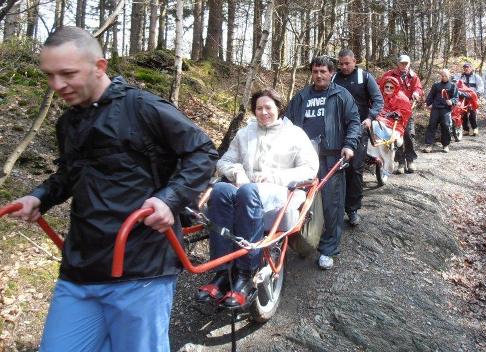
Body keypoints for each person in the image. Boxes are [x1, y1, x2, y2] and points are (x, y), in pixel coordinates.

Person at [8, 27, 218, 352]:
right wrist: (39, 196)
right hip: (80, 269)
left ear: (99, 67)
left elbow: (201, 151)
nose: (57, 85)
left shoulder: (142, 107)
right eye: (50, 75)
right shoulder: (67, 123)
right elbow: (69, 175)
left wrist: (169, 200)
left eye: (67, 74)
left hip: (140, 267)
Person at [196, 89, 319, 307]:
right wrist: (237, 172)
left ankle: (245, 273)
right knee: (222, 190)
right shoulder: (245, 133)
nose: (263, 112)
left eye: (268, 107)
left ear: (278, 108)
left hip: (280, 190)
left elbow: (310, 169)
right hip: (246, 188)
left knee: (247, 192)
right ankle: (222, 273)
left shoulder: (294, 134)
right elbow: (224, 161)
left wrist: (275, 176)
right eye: (259, 108)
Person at [285, 56, 360, 270]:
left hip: (332, 157)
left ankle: (328, 249)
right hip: (303, 159)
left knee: (331, 205)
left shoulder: (341, 95)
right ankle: (304, 242)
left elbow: (354, 122)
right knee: (300, 202)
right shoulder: (301, 97)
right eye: (315, 71)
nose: (319, 75)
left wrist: (349, 145)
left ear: (331, 73)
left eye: (323, 72)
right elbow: (286, 124)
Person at [333, 49, 383, 227]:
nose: (344, 67)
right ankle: (335, 207)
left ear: (355, 61)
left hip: (360, 129)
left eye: (347, 63)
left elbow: (378, 100)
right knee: (335, 169)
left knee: (354, 168)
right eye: (341, 63)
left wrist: (370, 118)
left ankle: (352, 209)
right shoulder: (333, 78)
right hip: (337, 130)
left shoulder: (365, 77)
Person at [381, 54, 423, 174]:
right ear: (398, 64)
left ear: (409, 64)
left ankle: (410, 160)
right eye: (401, 63)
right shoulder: (389, 74)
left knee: (408, 134)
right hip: (392, 109)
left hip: (406, 109)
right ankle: (399, 161)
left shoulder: (413, 76)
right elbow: (380, 85)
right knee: (395, 135)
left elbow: (419, 88)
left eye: (406, 63)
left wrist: (416, 92)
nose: (403, 66)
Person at [367, 77, 413, 175]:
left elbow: (406, 112)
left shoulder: (401, 98)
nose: (388, 89)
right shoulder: (379, 96)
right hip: (379, 120)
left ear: (395, 88)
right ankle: (373, 155)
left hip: (395, 124)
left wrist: (397, 113)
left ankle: (404, 162)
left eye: (391, 87)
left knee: (406, 137)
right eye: (386, 87)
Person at [423, 69, 459, 153]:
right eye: (442, 76)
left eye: (445, 76)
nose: (443, 77)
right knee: (432, 125)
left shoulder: (453, 86)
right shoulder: (436, 85)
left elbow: (456, 98)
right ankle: (429, 145)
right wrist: (428, 104)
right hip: (435, 108)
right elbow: (431, 95)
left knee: (446, 126)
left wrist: (452, 101)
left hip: (445, 109)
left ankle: (445, 145)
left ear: (449, 76)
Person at [457, 63, 484, 136]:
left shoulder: (476, 77)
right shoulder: (461, 77)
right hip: (463, 97)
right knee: (463, 113)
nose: (466, 69)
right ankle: (466, 130)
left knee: (472, 113)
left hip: (472, 97)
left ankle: (475, 128)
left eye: (467, 67)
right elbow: (456, 84)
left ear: (471, 68)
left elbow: (481, 86)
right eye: (465, 67)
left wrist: (477, 94)